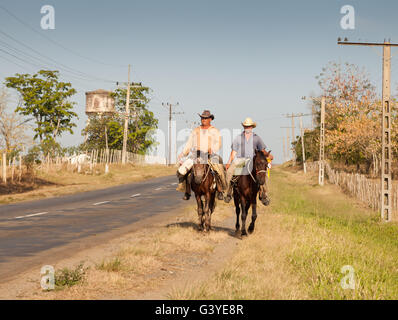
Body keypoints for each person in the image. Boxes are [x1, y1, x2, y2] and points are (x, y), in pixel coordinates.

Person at [176, 110, 227, 200]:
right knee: (182, 170)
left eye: (206, 118)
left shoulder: (214, 130)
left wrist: (213, 149)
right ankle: (187, 191)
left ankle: (220, 189)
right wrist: (183, 153)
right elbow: (189, 143)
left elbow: (218, 143)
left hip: (209, 155)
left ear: (210, 119)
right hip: (196, 155)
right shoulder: (196, 130)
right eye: (202, 118)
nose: (203, 119)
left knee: (219, 169)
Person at [224, 117, 273, 205]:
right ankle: (228, 192)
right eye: (246, 126)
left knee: (262, 174)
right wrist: (228, 162)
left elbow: (262, 150)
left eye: (249, 126)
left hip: (253, 160)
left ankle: (264, 194)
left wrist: (268, 155)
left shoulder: (256, 138)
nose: (248, 128)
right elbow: (234, 151)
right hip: (241, 160)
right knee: (230, 172)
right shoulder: (239, 138)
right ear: (244, 127)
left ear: (252, 127)